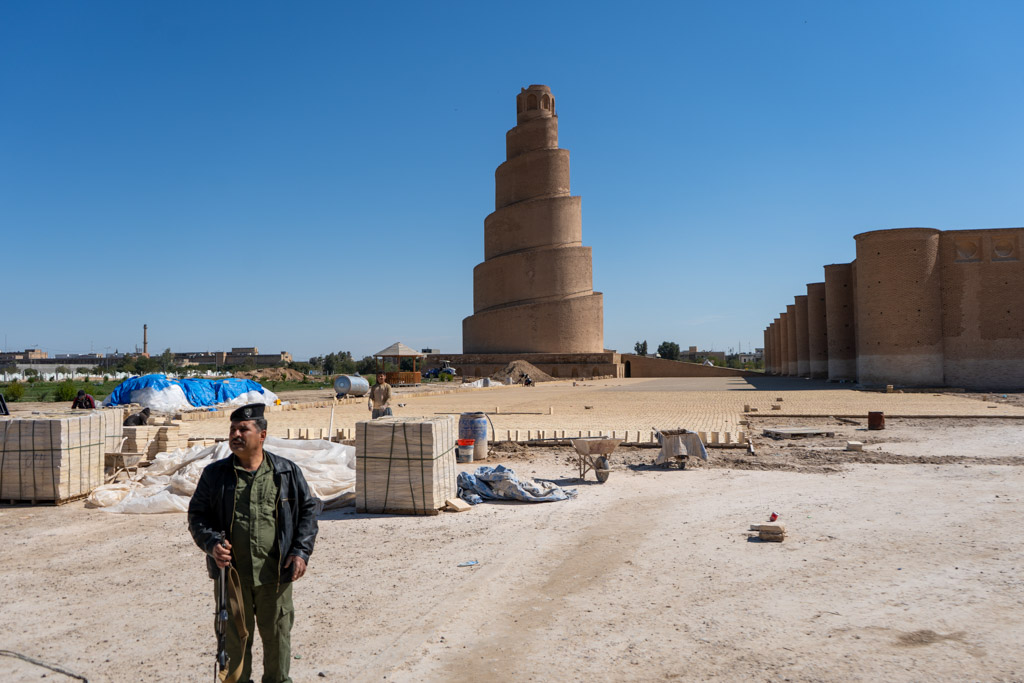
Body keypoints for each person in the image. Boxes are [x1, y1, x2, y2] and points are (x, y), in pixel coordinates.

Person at [188, 403, 319, 683]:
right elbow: (197, 515)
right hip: (233, 579)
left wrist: (300, 551)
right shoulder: (216, 475)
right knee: (234, 646)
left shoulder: (285, 472)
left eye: (243, 429)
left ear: (262, 435)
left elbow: (308, 511)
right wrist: (211, 543)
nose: (235, 434)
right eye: (232, 429)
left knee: (277, 640)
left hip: (275, 576)